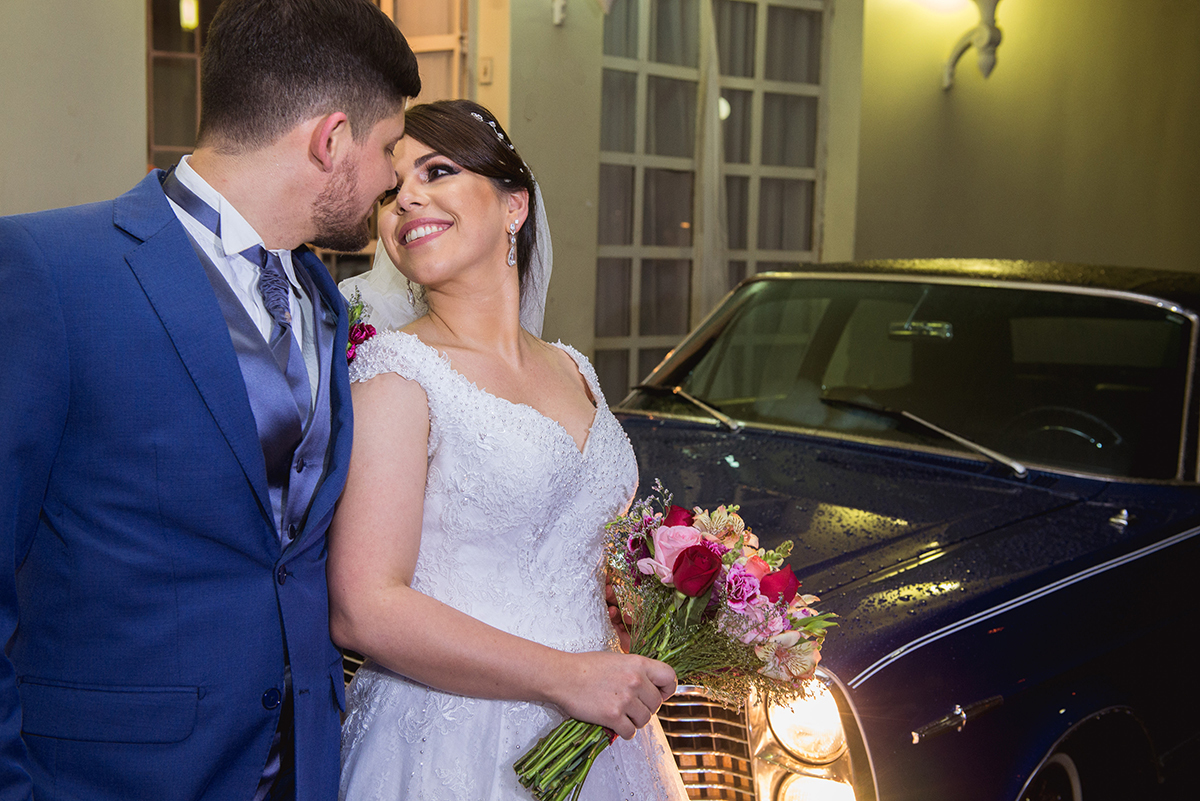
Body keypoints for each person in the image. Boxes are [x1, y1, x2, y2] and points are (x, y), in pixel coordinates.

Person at [0, 1, 419, 799]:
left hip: (300, 769)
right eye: (388, 145)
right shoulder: (49, 272)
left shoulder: (323, 298)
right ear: (330, 140)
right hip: (112, 776)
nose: (393, 176)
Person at [330, 100, 689, 801]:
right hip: (454, 742)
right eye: (392, 187)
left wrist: (641, 598)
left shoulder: (572, 366)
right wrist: (565, 674)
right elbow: (363, 605)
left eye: (437, 171)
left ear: (514, 207)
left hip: (601, 741)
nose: (406, 198)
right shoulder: (397, 374)